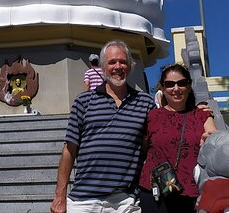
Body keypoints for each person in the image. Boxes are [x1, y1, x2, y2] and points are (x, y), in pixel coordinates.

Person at [50, 40, 155, 213]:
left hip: (125, 200)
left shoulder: (145, 103)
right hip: (84, 200)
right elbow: (69, 151)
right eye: (112, 62)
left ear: (130, 66)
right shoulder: (83, 102)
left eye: (123, 61)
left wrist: (199, 111)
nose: (118, 66)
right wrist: (60, 197)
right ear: (103, 67)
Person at [138, 64, 217, 212]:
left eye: (181, 83)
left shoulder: (202, 115)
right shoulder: (152, 116)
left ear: (189, 85)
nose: (176, 89)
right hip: (155, 190)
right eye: (169, 84)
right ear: (162, 87)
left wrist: (209, 138)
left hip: (191, 192)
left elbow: (215, 138)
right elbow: (143, 148)